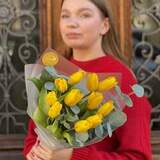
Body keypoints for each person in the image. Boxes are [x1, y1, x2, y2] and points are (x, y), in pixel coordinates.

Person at [23, 0, 152, 159]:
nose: (72, 23)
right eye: (65, 16)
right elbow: (32, 139)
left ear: (104, 25)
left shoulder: (122, 80)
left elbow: (138, 156)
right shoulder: (51, 72)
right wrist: (34, 153)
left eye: (84, 15)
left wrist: (73, 156)